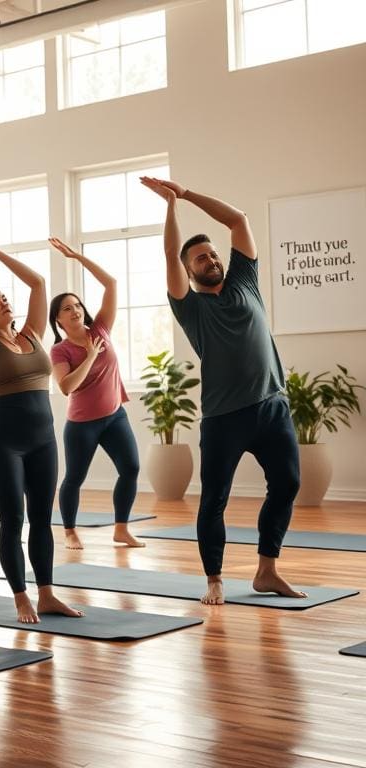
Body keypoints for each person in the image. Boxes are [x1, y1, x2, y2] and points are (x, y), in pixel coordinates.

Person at [140, 177, 305, 605]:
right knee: (214, 500)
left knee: (287, 483)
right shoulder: (190, 307)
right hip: (224, 419)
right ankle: (213, 578)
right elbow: (168, 255)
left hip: (272, 407)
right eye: (200, 257)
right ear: (189, 270)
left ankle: (267, 570)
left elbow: (237, 219)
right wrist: (172, 206)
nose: (211, 259)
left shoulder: (244, 281)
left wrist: (187, 192)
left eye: (213, 253)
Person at [0, 220, 83, 624]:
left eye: (4, 298)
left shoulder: (30, 335)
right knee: (13, 521)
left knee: (43, 521)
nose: (2, 302)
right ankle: (21, 597)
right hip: (5, 442)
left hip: (44, 439)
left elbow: (39, 283)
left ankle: (46, 594)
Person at [47, 237, 143, 550]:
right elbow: (65, 387)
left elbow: (111, 283)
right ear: (58, 320)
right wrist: (89, 356)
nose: (74, 310)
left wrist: (78, 257)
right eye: (66, 308)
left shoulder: (100, 328)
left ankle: (121, 528)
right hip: (83, 423)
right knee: (75, 477)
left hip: (115, 416)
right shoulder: (60, 350)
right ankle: (70, 532)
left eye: (77, 305)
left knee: (130, 468)